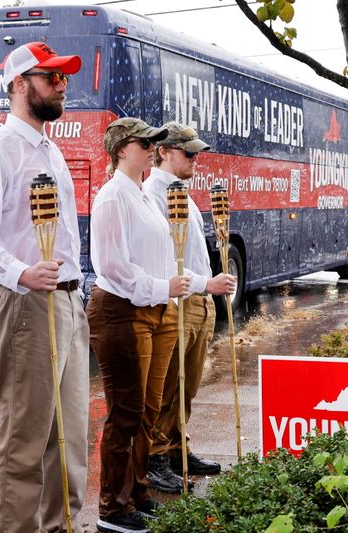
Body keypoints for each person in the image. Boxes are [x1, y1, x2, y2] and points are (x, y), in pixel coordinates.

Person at [0, 41, 89, 533]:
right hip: (26, 303)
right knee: (22, 440)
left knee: (69, 438)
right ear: (18, 84)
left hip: (67, 300)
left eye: (63, 76)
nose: (62, 84)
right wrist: (20, 272)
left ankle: (64, 527)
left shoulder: (51, 149)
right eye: (50, 77)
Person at [88, 117, 207, 533]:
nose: (152, 149)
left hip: (156, 309)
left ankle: (135, 493)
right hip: (121, 311)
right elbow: (113, 268)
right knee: (126, 411)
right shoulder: (112, 198)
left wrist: (179, 287)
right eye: (145, 143)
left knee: (147, 411)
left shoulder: (139, 195)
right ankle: (112, 508)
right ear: (122, 149)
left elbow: (158, 258)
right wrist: (164, 286)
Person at [143, 122, 237, 492]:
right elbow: (162, 257)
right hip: (176, 301)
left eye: (197, 152)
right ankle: (155, 455)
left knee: (188, 384)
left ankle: (177, 446)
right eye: (188, 152)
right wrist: (202, 285)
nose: (196, 159)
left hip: (200, 300)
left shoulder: (184, 192)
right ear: (163, 152)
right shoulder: (152, 194)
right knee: (167, 383)